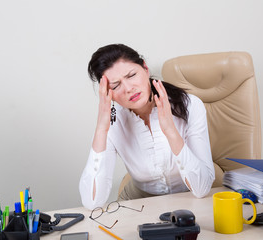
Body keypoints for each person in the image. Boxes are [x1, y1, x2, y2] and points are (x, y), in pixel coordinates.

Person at [79, 44, 215, 210]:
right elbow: (92, 202)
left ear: (145, 68)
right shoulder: (112, 121)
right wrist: (101, 128)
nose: (129, 89)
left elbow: (201, 189)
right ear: (107, 92)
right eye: (115, 86)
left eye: (132, 75)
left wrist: (171, 131)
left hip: (190, 201)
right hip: (138, 207)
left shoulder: (190, 105)